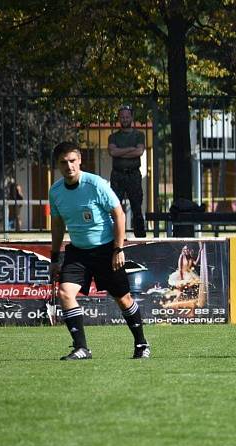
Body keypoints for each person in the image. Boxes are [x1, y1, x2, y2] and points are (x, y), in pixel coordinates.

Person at [49, 141, 151, 360]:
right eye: (63, 162)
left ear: (80, 161)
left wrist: (118, 249)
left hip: (106, 250)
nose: (69, 166)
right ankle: (81, 348)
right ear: (58, 165)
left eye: (72, 161)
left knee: (123, 299)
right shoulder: (55, 191)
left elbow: (119, 214)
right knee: (65, 293)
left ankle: (142, 344)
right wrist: (55, 258)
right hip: (78, 252)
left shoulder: (96, 184)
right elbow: (57, 225)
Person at [108, 104, 147, 238]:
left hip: (133, 174)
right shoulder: (113, 137)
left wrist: (120, 152)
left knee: (137, 208)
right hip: (117, 174)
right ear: (119, 118)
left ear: (131, 117)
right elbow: (113, 151)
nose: (125, 119)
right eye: (122, 117)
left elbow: (140, 151)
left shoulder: (139, 135)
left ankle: (141, 239)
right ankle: (113, 237)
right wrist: (131, 149)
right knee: (114, 207)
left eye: (127, 116)